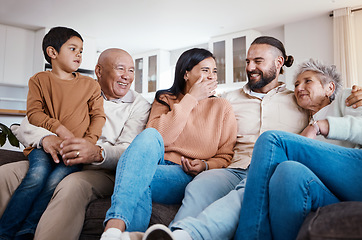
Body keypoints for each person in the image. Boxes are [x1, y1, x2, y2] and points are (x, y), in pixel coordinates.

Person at [141, 37, 362, 240]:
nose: (250, 67)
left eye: (258, 61)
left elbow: (328, 105)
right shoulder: (227, 99)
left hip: (272, 170)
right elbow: (194, 118)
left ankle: (188, 235)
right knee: (201, 184)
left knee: (247, 190)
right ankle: (175, 233)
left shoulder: (298, 98)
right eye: (247, 61)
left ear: (278, 63)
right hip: (233, 169)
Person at [234, 58, 362, 240]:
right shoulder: (302, 129)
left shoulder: (345, 99)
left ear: (329, 88)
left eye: (307, 81)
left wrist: (320, 125)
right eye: (296, 84)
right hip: (340, 196)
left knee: (271, 139)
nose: (298, 88)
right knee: (288, 171)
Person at [0, 48, 151, 240]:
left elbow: (129, 152)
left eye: (131, 70)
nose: (127, 76)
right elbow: (28, 123)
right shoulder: (75, 87)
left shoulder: (140, 105)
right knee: (6, 174)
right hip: (58, 158)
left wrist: (97, 153)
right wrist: (46, 139)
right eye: (120, 69)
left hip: (101, 170)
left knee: (72, 185)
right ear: (99, 71)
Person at [100, 48, 238, 240]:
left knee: (139, 175)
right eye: (205, 70)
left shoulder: (222, 107)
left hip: (183, 173)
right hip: (155, 162)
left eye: (214, 71)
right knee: (148, 137)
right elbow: (159, 137)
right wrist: (191, 99)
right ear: (186, 73)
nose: (211, 76)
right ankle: (118, 232)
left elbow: (225, 155)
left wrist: (206, 165)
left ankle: (116, 230)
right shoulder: (165, 99)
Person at [0, 26, 106, 240]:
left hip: (74, 152)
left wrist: (87, 143)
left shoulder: (90, 85)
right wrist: (59, 129)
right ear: (52, 52)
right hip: (43, 147)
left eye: (82, 50)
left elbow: (98, 117)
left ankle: (27, 230)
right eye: (74, 48)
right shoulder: (39, 80)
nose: (79, 54)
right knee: (36, 176)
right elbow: (34, 113)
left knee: (54, 181)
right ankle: (5, 232)